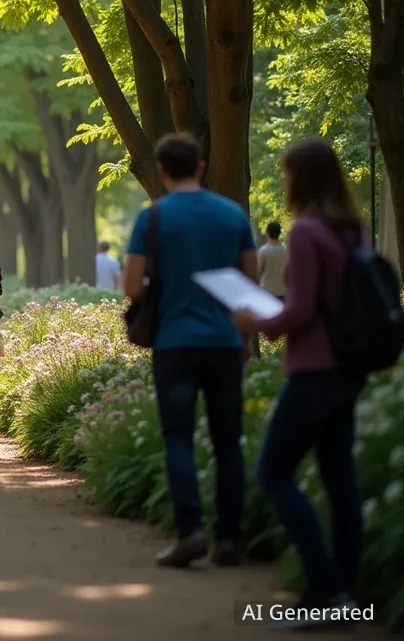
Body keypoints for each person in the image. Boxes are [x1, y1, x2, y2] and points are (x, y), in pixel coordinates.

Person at [232, 140, 365, 626]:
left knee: (273, 471)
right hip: (348, 367)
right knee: (339, 479)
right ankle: (345, 591)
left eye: (287, 173)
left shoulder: (307, 231)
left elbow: (302, 308)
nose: (284, 181)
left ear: (301, 178)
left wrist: (257, 323)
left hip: (313, 368)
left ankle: (324, 587)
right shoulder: (351, 229)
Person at [123, 133, 257, 568]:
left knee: (178, 437)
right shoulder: (233, 215)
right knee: (228, 441)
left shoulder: (153, 218)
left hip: (175, 343)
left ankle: (190, 532)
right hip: (225, 343)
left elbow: (132, 286)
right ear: (200, 167)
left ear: (162, 171)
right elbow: (250, 284)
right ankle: (230, 538)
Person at [258, 221, 288, 301]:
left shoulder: (263, 251)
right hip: (283, 293)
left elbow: (258, 272)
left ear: (267, 233)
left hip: (267, 293)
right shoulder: (285, 251)